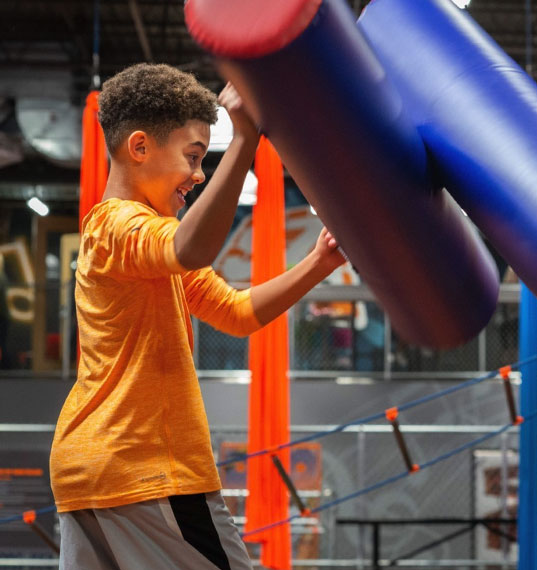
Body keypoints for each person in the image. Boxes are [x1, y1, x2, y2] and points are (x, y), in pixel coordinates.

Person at [49, 63, 346, 570]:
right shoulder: (119, 226)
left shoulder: (145, 244)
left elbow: (235, 312)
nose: (198, 173)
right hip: (147, 471)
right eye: (192, 156)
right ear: (139, 148)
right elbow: (192, 248)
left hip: (89, 472)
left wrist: (318, 264)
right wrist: (244, 141)